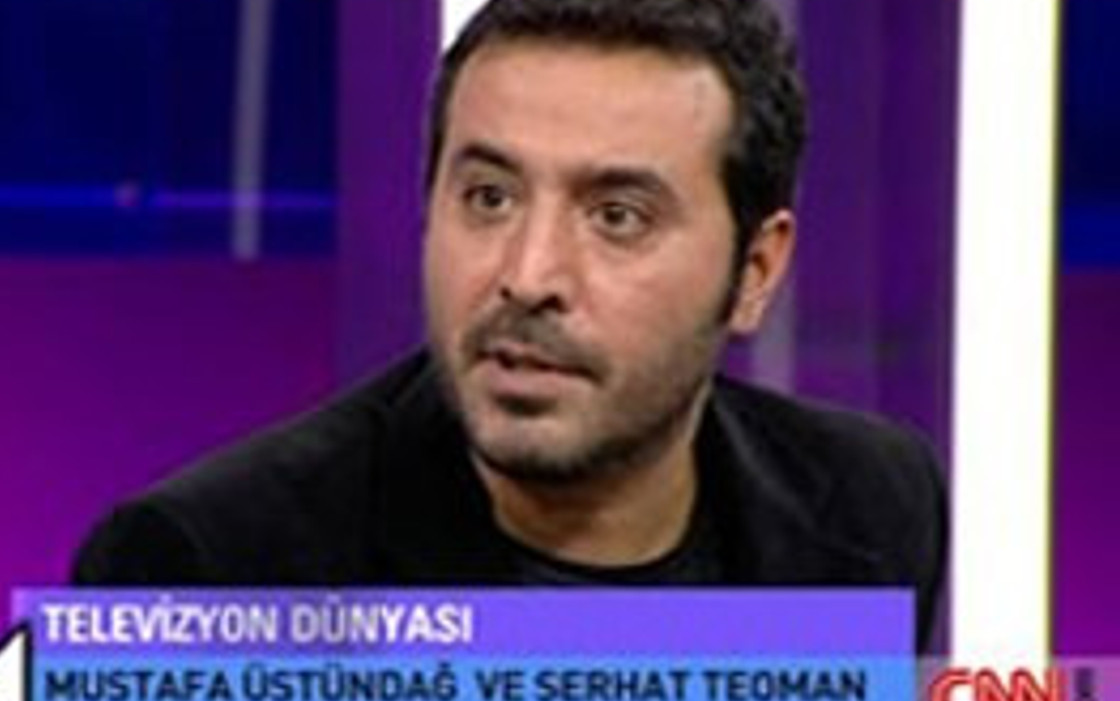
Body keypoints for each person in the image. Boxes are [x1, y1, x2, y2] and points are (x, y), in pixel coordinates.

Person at [74, 0, 947, 649]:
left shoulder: (871, 505)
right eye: (489, 198)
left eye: (617, 217)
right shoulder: (213, 570)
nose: (527, 277)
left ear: (755, 271)